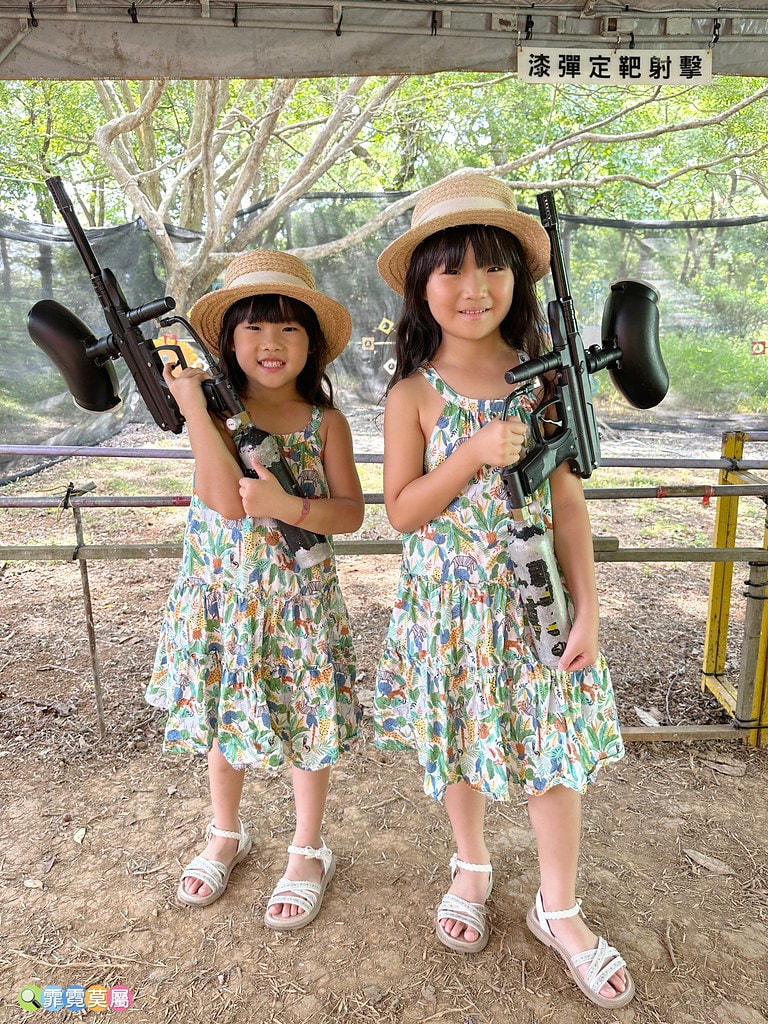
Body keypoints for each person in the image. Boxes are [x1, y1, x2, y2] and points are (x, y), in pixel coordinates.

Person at [373, 173, 634, 1008]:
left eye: (492, 267)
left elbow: (566, 502)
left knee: (552, 756)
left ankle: (559, 910)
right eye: (450, 269)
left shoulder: (545, 379)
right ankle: (472, 864)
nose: (473, 287)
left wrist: (589, 606)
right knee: (458, 742)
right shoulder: (412, 394)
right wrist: (471, 453)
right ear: (422, 285)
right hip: (447, 612)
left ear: (517, 281)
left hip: (538, 608)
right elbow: (404, 513)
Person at [145, 250, 365, 930]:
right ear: (227, 344)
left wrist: (286, 505)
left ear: (313, 343)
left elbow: (350, 514)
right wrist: (192, 406)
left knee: (307, 726)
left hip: (298, 604)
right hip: (224, 601)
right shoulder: (208, 416)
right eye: (253, 329)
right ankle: (225, 833)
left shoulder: (323, 422)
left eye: (289, 329)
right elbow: (221, 500)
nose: (271, 344)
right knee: (222, 721)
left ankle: (308, 848)